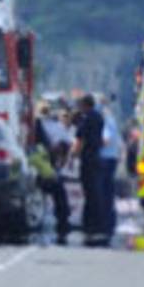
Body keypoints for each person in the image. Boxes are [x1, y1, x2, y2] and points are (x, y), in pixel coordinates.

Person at [71, 94, 107, 246]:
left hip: (88, 159)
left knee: (89, 193)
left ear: (85, 105)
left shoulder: (86, 119)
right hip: (97, 157)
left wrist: (73, 155)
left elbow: (80, 139)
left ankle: (90, 226)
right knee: (96, 192)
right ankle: (98, 224)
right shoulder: (99, 117)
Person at [34, 102, 70, 245]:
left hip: (39, 163)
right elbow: (65, 145)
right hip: (44, 164)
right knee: (58, 190)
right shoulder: (54, 126)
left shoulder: (35, 124)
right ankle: (62, 221)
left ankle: (59, 219)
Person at [97, 96, 123, 242]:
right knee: (109, 190)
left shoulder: (106, 121)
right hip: (112, 158)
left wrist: (93, 143)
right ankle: (109, 218)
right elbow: (119, 142)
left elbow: (105, 140)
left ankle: (104, 221)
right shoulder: (112, 120)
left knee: (104, 190)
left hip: (105, 159)